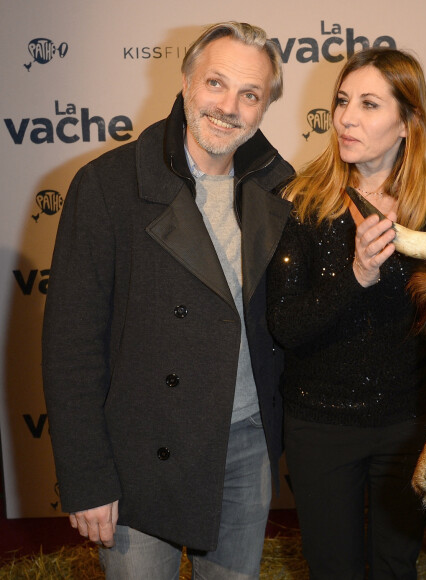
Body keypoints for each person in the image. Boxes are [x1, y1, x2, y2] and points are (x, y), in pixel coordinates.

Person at [42, 21, 294, 580]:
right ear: (185, 82)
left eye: (249, 95)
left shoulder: (279, 190)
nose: (229, 107)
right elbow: (71, 349)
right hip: (140, 458)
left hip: (245, 447)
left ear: (264, 108)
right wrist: (86, 479)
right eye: (216, 84)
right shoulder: (107, 186)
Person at [267, 47, 426, 579]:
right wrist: (355, 276)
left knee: (396, 566)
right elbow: (285, 325)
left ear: (407, 122)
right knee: (334, 568)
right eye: (342, 101)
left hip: (407, 425)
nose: (347, 118)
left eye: (370, 104)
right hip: (320, 426)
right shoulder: (301, 201)